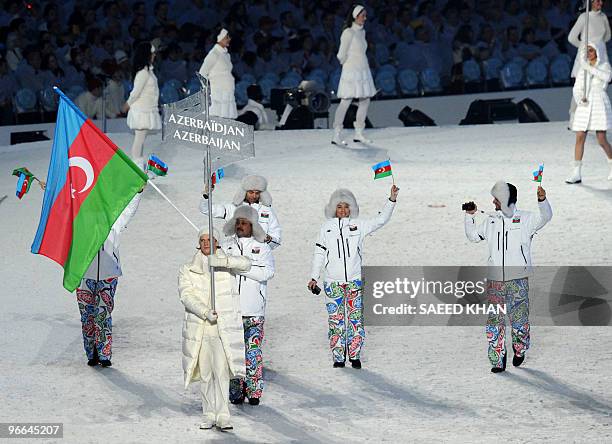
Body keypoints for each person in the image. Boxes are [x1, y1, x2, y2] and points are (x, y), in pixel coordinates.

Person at [464, 182, 552, 373]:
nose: (493, 201)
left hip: (518, 279)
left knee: (519, 320)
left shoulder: (526, 219)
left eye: (496, 198)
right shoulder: (491, 220)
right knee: (495, 320)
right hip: (495, 280)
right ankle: (497, 358)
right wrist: (470, 216)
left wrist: (542, 200)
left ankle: (519, 349)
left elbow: (546, 216)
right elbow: (472, 236)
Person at [308, 185, 399, 369]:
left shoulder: (359, 225)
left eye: (346, 206)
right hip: (332, 283)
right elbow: (319, 253)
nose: (343, 210)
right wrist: (314, 277)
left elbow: (381, 220)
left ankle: (355, 355)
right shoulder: (326, 228)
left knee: (355, 320)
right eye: (339, 206)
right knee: (336, 320)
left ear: (352, 208)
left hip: (354, 282)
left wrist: (391, 199)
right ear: (333, 208)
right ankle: (338, 357)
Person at [178, 226, 251, 430]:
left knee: (221, 372)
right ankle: (209, 413)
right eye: (202, 240)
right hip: (201, 329)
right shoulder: (188, 269)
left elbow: (247, 264)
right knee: (206, 374)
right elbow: (186, 295)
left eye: (210, 240)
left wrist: (222, 261)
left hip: (222, 330)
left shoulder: (226, 264)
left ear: (217, 242)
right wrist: (204, 311)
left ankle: (223, 414)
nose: (206, 244)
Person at [76, 190, 143, 368]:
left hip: (108, 274)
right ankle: (92, 352)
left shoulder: (114, 221)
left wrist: (138, 192)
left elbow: (129, 210)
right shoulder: (80, 221)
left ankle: (104, 354)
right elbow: (63, 207)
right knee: (87, 315)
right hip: (84, 273)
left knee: (103, 314)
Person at [221, 206, 274, 405]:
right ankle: (235, 392)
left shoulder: (262, 247)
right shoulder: (227, 246)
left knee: (253, 354)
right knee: (233, 353)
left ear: (252, 225)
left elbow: (267, 273)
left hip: (254, 310)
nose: (240, 226)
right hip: (231, 310)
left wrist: (241, 267)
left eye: (244, 223)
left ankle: (254, 392)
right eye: (238, 222)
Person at [332, 4, 377, 146]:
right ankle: (336, 134)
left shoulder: (361, 32)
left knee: (365, 100)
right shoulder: (348, 33)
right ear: (355, 16)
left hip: (363, 70)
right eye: (362, 15)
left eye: (365, 15)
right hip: (352, 71)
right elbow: (340, 55)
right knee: (346, 101)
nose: (365, 18)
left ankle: (359, 133)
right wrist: (349, 65)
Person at [567, 41, 612, 183]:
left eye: (591, 50)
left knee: (601, 139)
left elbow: (607, 77)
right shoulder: (583, 69)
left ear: (597, 51)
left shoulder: (604, 66)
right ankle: (576, 172)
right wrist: (580, 99)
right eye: (587, 51)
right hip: (585, 105)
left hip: (599, 103)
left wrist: (589, 68)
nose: (589, 53)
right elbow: (577, 87)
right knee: (580, 136)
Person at [200, 174, 282, 250]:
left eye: (257, 193)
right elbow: (206, 209)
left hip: (259, 258)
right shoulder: (232, 208)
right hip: (235, 256)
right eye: (251, 192)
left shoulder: (267, 211)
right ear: (244, 192)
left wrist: (268, 239)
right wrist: (206, 195)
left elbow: (276, 240)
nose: (254, 196)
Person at [568, 0, 611, 124]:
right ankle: (573, 114)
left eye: (601, 0)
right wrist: (585, 46)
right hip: (587, 54)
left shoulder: (603, 17)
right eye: (597, 0)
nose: (600, 3)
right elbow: (571, 38)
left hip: (600, 55)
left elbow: (607, 36)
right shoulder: (584, 17)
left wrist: (598, 45)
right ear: (590, 2)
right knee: (581, 84)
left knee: (599, 85)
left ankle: (595, 117)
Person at [123, 41, 161, 167]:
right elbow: (136, 92)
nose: (154, 55)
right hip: (141, 110)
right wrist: (127, 104)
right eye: (152, 53)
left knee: (141, 139)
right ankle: (136, 165)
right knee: (139, 139)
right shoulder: (143, 73)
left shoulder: (148, 72)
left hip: (147, 108)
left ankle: (138, 163)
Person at [199, 28, 238, 119]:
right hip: (218, 92)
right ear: (220, 38)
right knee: (218, 115)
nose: (229, 39)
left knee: (228, 115)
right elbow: (202, 72)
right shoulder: (214, 54)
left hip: (228, 90)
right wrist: (207, 89)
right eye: (226, 37)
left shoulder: (227, 55)